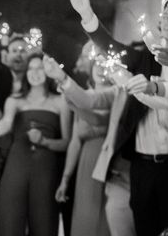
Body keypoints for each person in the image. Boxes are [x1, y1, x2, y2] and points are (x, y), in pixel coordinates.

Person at [69, 0, 168, 236]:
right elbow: (110, 46)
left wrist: (152, 88)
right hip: (141, 167)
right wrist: (87, 15)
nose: (165, 20)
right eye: (163, 15)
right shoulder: (146, 57)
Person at [0, 52, 71, 236]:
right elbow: (6, 123)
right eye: (30, 68)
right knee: (10, 224)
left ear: (47, 72)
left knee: (44, 224)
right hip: (17, 167)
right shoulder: (15, 100)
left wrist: (44, 141)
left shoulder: (60, 101)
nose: (35, 72)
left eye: (39, 68)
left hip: (46, 171)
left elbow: (67, 142)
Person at [54, 47, 111, 236]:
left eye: (106, 64)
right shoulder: (81, 95)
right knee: (85, 217)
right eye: (98, 63)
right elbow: (75, 141)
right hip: (86, 164)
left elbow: (100, 121)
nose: (101, 68)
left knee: (106, 220)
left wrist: (75, 106)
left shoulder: (117, 95)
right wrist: (65, 179)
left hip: (110, 162)